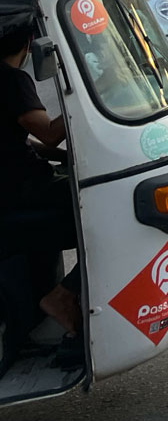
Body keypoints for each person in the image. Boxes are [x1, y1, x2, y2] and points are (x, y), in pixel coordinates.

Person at [0, 18, 83, 367]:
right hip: (22, 189)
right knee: (112, 216)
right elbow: (48, 133)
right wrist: (83, 95)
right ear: (30, 43)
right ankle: (62, 297)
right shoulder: (11, 80)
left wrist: (63, 157)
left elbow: (18, 138)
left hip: (15, 183)